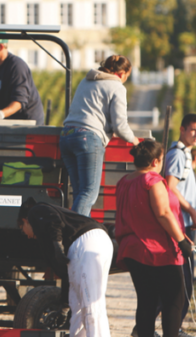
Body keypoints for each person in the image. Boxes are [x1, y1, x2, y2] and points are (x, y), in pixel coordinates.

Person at [115, 140, 194, 337]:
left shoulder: (123, 182)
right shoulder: (153, 181)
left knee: (146, 300)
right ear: (156, 161)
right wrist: (182, 240)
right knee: (174, 299)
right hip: (157, 249)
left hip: (132, 248)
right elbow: (163, 213)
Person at [18, 198, 115, 337]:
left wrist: (56, 246)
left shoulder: (36, 211)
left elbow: (52, 220)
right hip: (92, 242)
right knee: (77, 304)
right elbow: (66, 280)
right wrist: (64, 305)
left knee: (89, 299)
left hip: (87, 242)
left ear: (25, 221)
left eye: (22, 229)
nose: (25, 234)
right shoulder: (47, 226)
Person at [60, 54, 140, 217]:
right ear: (122, 74)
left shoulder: (86, 80)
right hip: (87, 138)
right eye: (127, 76)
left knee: (79, 193)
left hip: (66, 135)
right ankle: (76, 235)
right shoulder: (117, 87)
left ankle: (75, 234)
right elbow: (120, 126)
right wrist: (135, 140)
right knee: (89, 193)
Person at [164, 113, 196, 331]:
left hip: (186, 221)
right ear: (182, 130)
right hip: (182, 222)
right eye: (193, 130)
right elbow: (171, 187)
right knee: (183, 283)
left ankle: (167, 327)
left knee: (182, 281)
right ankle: (172, 329)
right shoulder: (178, 155)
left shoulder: (184, 154)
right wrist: (191, 211)